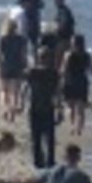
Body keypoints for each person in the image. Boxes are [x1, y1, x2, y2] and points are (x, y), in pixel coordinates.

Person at [25, 37, 62, 170]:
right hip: (47, 107)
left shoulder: (32, 72)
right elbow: (57, 93)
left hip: (35, 106)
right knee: (49, 137)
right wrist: (60, 109)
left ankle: (38, 161)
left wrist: (22, 104)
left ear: (39, 58)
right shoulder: (54, 73)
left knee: (36, 136)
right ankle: (50, 161)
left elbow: (26, 89)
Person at [0, 12, 28, 120]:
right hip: (17, 67)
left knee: (4, 91)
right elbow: (23, 55)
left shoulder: (3, 39)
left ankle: (6, 109)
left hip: (5, 66)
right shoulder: (21, 40)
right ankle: (12, 111)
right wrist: (25, 66)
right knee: (15, 92)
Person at [62, 33, 92, 135]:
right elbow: (91, 70)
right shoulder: (86, 55)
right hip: (82, 81)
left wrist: (61, 81)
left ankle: (72, 126)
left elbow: (64, 70)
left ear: (73, 43)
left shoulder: (68, 55)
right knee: (81, 109)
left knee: (71, 107)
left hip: (70, 81)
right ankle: (79, 129)